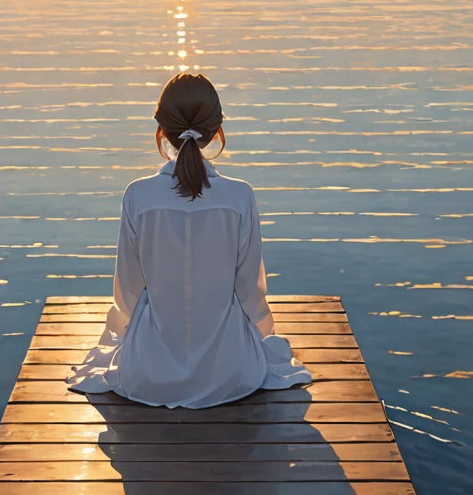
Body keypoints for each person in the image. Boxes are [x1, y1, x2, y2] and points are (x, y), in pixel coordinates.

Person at [67, 72, 311, 409]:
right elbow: (250, 291)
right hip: (230, 372)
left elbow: (129, 292)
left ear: (161, 131)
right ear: (217, 131)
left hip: (147, 373)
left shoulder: (138, 195)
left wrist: (122, 338)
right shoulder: (240, 196)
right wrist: (263, 335)